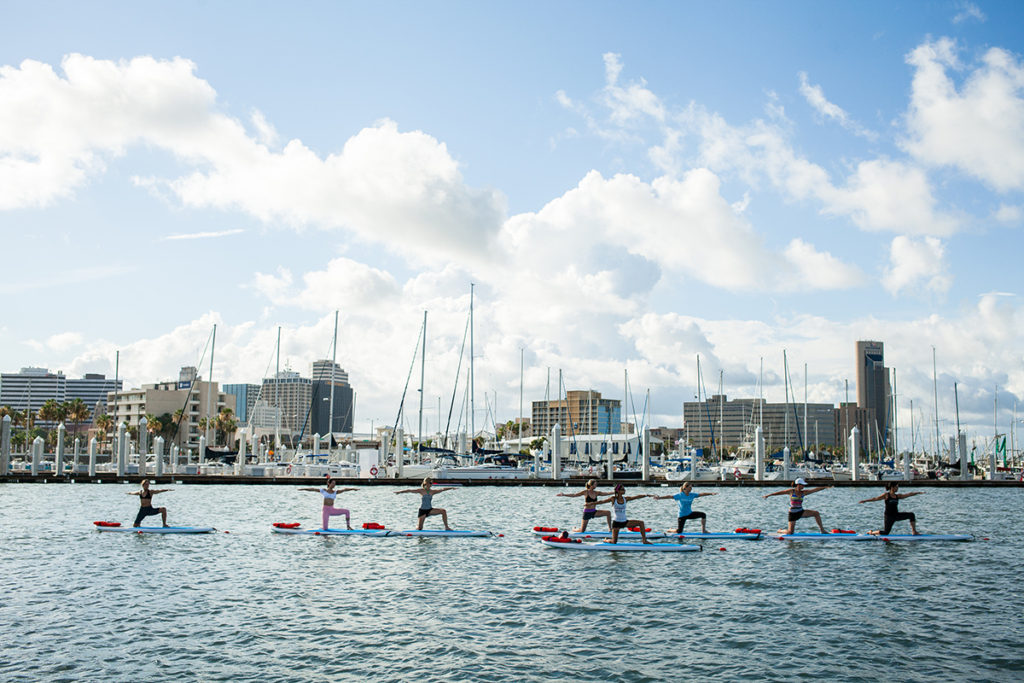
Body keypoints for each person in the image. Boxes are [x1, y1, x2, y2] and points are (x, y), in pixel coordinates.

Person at [762, 478, 831, 534]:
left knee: (816, 513)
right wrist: (768, 495)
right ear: (798, 485)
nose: (803, 486)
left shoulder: (804, 492)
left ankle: (822, 530)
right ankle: (780, 531)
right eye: (802, 485)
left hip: (801, 512)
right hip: (792, 513)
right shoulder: (791, 491)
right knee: (790, 532)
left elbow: (814, 490)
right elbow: (779, 493)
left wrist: (824, 487)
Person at [859, 482, 923, 535]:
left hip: (896, 515)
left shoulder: (898, 496)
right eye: (896, 487)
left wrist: (917, 493)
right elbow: (875, 499)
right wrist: (865, 500)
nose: (897, 488)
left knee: (911, 515)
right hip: (889, 516)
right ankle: (871, 532)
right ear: (892, 487)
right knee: (885, 532)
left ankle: (914, 531)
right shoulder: (886, 495)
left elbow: (908, 494)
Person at [652, 482, 717, 533]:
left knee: (703, 515)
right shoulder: (680, 495)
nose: (691, 489)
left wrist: (711, 493)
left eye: (691, 487)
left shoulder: (692, 495)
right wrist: (659, 498)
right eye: (690, 487)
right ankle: (671, 530)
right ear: (685, 488)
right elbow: (670, 496)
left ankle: (704, 531)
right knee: (679, 531)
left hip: (689, 514)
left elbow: (702, 494)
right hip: (682, 515)